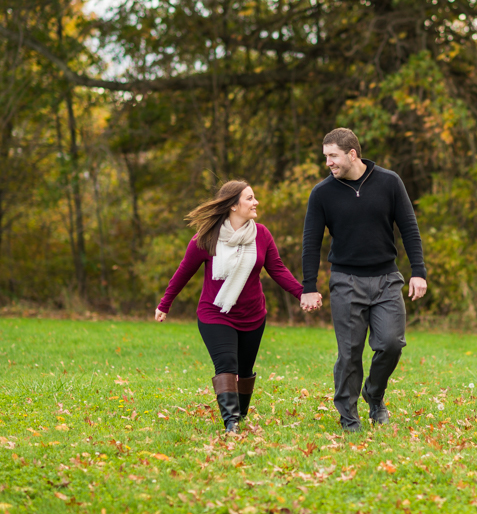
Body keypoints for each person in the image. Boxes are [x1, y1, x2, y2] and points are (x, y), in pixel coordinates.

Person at [300, 128, 427, 432]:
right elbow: (310, 242)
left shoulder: (389, 182)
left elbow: (409, 228)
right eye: (325, 157)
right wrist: (308, 286)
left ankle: (374, 393)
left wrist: (418, 271)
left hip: (386, 279)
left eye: (333, 156)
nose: (328, 162)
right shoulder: (322, 193)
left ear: (352, 154)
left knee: (392, 344)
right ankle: (348, 416)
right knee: (350, 352)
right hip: (346, 281)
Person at [155, 180, 306, 434]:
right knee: (226, 364)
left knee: (245, 371)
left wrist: (302, 293)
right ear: (234, 205)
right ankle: (231, 422)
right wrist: (165, 304)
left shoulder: (262, 235)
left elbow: (277, 269)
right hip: (215, 313)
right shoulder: (206, 239)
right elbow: (184, 272)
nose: (255, 202)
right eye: (250, 198)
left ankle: (241, 414)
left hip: (253, 315)